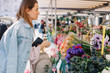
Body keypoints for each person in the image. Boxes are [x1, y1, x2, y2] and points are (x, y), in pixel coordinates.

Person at [0, 0, 50, 73]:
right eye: (36, 9)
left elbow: (26, 53)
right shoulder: (22, 29)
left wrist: (39, 46)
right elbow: (12, 59)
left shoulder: (23, 27)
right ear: (28, 11)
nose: (38, 12)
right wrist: (42, 45)